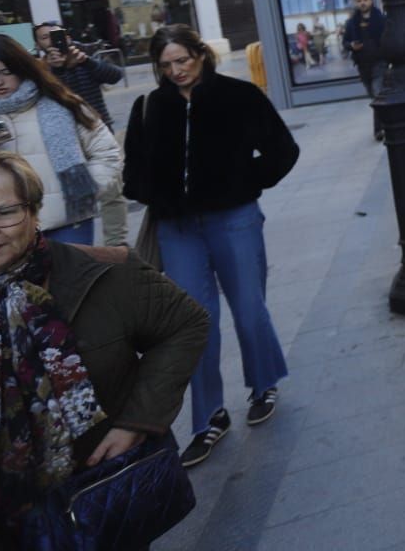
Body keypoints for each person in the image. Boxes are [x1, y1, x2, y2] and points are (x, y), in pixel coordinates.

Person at [0, 150, 209, 545]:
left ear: (36, 212)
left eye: (4, 212)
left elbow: (185, 323)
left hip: (95, 493)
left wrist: (137, 421)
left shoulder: (104, 271)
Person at [123, 25, 300, 466]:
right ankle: (208, 418)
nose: (176, 71)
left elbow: (283, 150)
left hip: (234, 219)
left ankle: (263, 384)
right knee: (191, 322)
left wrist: (243, 185)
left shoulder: (239, 96)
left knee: (248, 307)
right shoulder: (150, 106)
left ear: (201, 55)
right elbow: (134, 169)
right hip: (177, 228)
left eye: (183, 60)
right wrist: (155, 195)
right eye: (166, 65)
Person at [0, 34, 125, 248]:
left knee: (67, 282)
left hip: (69, 224)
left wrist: (86, 189)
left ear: (22, 68)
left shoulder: (62, 104)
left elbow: (107, 152)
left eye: (6, 72)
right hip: (6, 229)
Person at [34, 23, 124, 129]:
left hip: (99, 127)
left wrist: (86, 62)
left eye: (57, 35)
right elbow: (54, 98)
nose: (52, 40)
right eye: (45, 37)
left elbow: (116, 76)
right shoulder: (38, 69)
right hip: (65, 130)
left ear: (67, 38)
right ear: (37, 45)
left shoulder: (83, 59)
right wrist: (58, 69)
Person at [343, 0, 386, 137]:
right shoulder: (352, 23)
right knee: (375, 97)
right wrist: (351, 46)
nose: (363, 3)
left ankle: (378, 129)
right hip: (363, 65)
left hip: (380, 62)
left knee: (377, 94)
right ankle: (385, 123)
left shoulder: (380, 19)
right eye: (359, 0)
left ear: (371, 1)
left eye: (365, 0)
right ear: (356, 3)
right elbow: (345, 42)